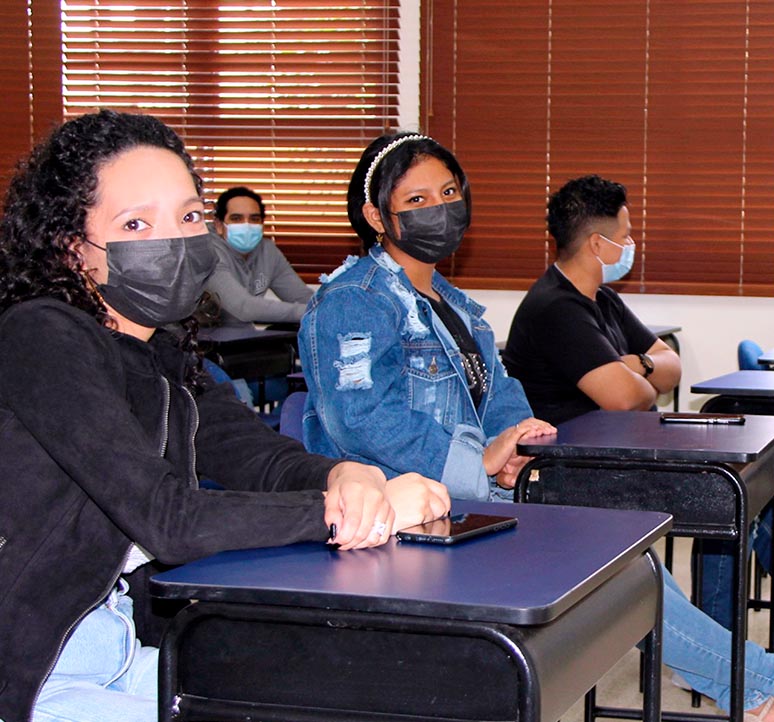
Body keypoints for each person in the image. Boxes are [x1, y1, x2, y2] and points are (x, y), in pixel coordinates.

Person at [300, 132, 774, 721]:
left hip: (473, 499)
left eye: (450, 191)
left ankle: (763, 697)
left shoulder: (455, 304)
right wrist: (480, 461)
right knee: (618, 575)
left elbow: (502, 393)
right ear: (376, 215)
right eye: (417, 201)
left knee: (629, 564)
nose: (441, 210)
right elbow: (361, 421)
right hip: (400, 517)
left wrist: (521, 441)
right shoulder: (354, 302)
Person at [0, 110, 451, 722]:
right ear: (72, 246)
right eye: (136, 223)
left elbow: (256, 456)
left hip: (122, 647)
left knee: (339, 695)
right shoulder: (42, 337)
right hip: (35, 669)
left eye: (188, 218)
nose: (175, 242)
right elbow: (168, 519)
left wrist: (342, 474)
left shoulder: (160, 351)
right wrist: (345, 510)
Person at [503, 175, 774, 674]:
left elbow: (670, 365)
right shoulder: (556, 307)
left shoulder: (602, 299)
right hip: (576, 474)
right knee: (734, 494)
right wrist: (639, 374)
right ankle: (740, 655)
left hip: (624, 454)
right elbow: (624, 399)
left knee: (756, 489)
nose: (632, 245)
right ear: (598, 243)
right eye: (627, 234)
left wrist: (632, 367)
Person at [205, 185, 314, 325]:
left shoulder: (267, 251)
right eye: (236, 219)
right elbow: (244, 308)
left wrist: (330, 308)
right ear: (219, 225)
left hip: (243, 338)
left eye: (254, 219)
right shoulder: (207, 252)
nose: (247, 225)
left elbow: (302, 296)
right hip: (204, 340)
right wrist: (314, 313)